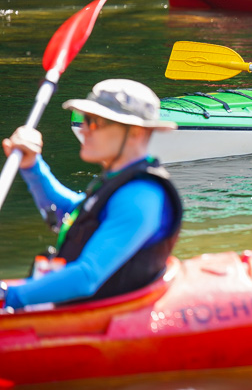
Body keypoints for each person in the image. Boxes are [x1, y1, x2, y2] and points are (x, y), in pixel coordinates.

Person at [0, 80, 182, 312]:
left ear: (135, 132)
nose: (83, 129)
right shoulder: (117, 179)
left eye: (94, 122)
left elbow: (87, 276)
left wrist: (8, 295)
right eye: (85, 119)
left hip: (107, 320)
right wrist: (32, 166)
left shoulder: (140, 196)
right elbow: (72, 212)